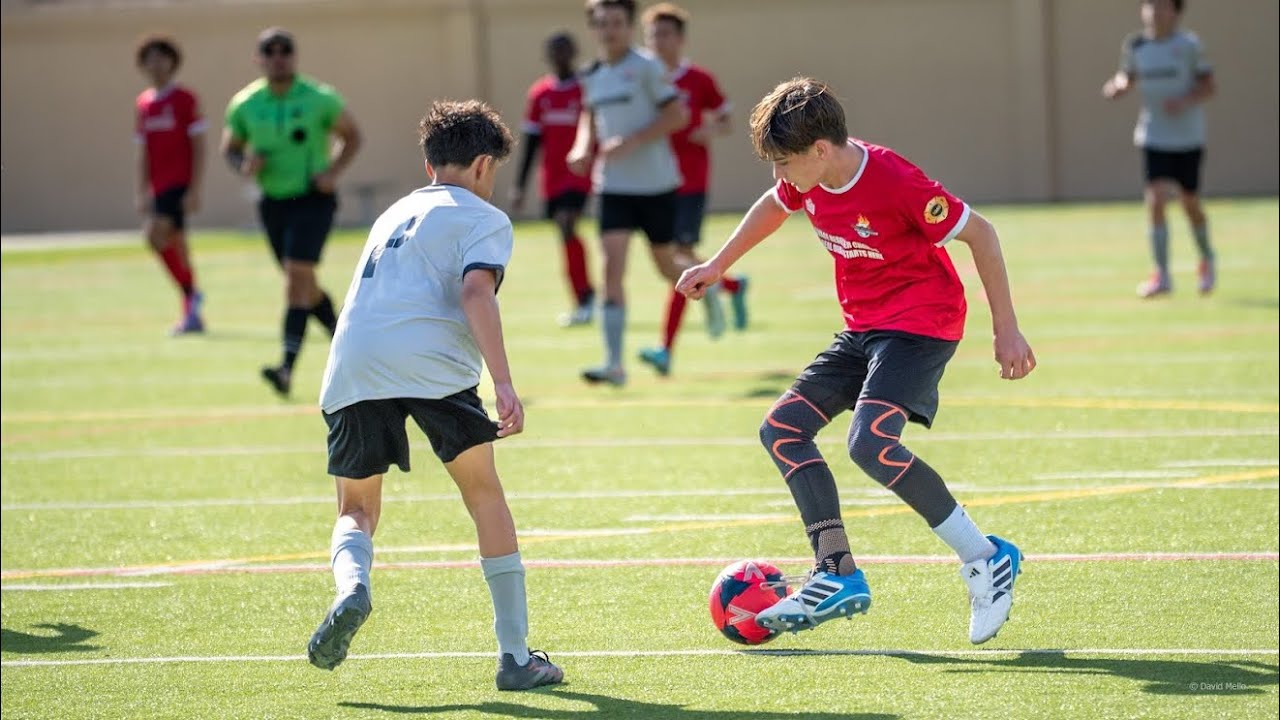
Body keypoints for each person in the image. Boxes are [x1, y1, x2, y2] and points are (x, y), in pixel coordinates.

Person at [677, 78, 1037, 644]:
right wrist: (716, 265)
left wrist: (1007, 330)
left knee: (870, 444)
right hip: (864, 329)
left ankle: (985, 557)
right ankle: (836, 571)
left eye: (784, 162)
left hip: (922, 325)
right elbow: (775, 206)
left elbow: (982, 235)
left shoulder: (895, 181)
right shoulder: (808, 178)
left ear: (821, 150)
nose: (779, 175)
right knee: (781, 429)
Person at [308, 99, 564, 691]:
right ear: (483, 165)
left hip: (354, 362)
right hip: (434, 368)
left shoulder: (393, 213)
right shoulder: (483, 217)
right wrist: (503, 382)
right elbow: (476, 292)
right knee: (483, 495)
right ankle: (515, 657)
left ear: (429, 165)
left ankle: (352, 587)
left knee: (355, 510)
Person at [222, 27, 362, 397]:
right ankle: (349, 343)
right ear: (258, 58)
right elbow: (230, 147)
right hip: (273, 203)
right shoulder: (246, 103)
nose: (278, 57)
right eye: (270, 51)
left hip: (313, 199)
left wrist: (332, 172)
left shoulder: (319, 97)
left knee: (296, 276)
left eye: (285, 50)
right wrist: (243, 165)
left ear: (294, 56)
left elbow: (352, 135)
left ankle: (285, 369)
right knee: (305, 286)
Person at [568, 0, 691, 386]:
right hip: (613, 187)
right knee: (611, 269)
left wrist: (633, 140)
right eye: (603, 24)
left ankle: (712, 285)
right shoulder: (591, 74)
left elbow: (678, 115)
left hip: (656, 186)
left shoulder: (647, 67)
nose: (610, 31)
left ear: (629, 26)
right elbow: (590, 116)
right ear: (594, 29)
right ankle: (614, 364)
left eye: (617, 23)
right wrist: (581, 146)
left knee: (666, 267)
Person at [638, 2, 750, 377]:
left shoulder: (699, 79)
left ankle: (665, 350)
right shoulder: (642, 79)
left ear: (680, 39)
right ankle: (730, 286)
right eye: (652, 35)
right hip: (654, 184)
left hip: (690, 182)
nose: (658, 41)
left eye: (665, 34)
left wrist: (709, 130)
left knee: (679, 257)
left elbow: (727, 119)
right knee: (675, 260)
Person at [1102, 0, 1216, 298]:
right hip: (1153, 135)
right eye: (1150, 5)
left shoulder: (1189, 46)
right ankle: (1162, 275)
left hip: (1188, 137)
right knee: (1155, 199)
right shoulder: (1136, 45)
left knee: (1189, 202)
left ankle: (1206, 258)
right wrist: (1118, 86)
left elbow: (1209, 86)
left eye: (1162, 5)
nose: (1155, 11)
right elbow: (1127, 75)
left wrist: (1185, 101)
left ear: (1176, 11)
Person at [512, 32, 597, 328]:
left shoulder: (585, 90)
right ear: (547, 56)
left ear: (574, 52)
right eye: (554, 50)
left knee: (567, 222)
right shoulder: (540, 94)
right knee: (564, 232)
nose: (560, 55)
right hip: (552, 177)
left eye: (565, 49)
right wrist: (519, 186)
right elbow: (531, 143)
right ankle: (583, 296)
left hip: (580, 174)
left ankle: (586, 297)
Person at [134, 34, 206, 335]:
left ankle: (191, 298)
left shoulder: (185, 99)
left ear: (173, 62)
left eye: (161, 57)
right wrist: (142, 190)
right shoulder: (143, 103)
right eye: (150, 58)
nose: (156, 63)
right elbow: (143, 151)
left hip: (179, 183)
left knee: (157, 235)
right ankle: (191, 302)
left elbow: (199, 145)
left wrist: (194, 188)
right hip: (158, 186)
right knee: (173, 243)